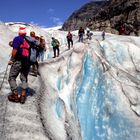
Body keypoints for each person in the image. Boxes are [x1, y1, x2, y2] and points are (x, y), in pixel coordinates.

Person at [8, 27, 30, 104]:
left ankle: (15, 94)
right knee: (24, 78)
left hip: (18, 61)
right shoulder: (27, 40)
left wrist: (12, 60)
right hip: (26, 62)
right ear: (25, 33)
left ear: (19, 33)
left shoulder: (17, 39)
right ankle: (23, 96)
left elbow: (15, 50)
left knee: (12, 77)